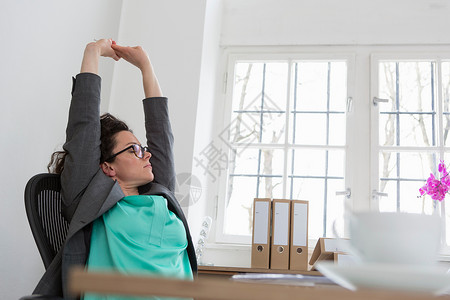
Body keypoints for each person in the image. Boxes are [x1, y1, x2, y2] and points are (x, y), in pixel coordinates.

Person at [34, 39, 197, 300]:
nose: (147, 154)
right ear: (107, 166)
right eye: (134, 150)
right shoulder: (92, 199)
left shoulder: (158, 192)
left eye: (142, 148)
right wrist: (93, 53)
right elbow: (83, 130)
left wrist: (146, 66)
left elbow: (162, 134)